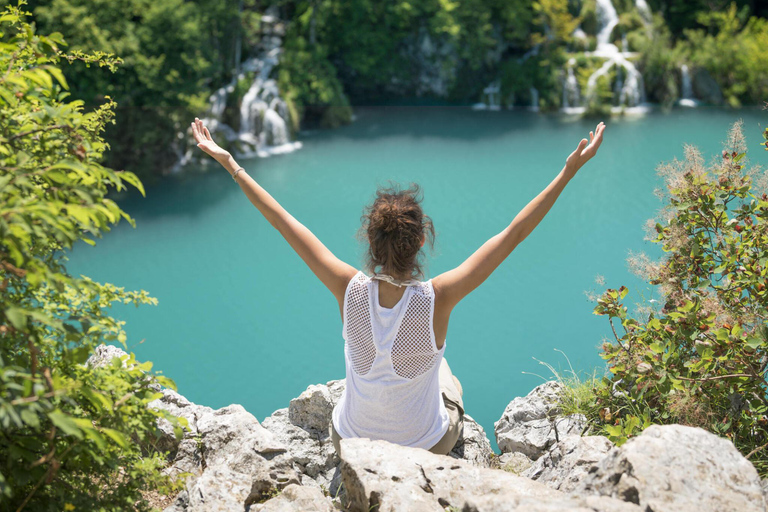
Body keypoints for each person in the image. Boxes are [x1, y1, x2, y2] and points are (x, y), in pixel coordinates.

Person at [190, 117, 606, 456]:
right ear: (422, 241)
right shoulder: (437, 298)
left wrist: (231, 163)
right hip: (425, 447)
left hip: (351, 442)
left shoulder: (347, 288)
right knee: (445, 373)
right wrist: (568, 172)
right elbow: (513, 234)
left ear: (370, 241)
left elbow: (284, 222)